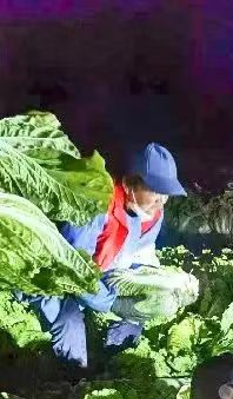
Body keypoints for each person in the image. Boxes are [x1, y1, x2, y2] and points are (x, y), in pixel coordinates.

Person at [25, 142, 186, 369]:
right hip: (54, 278)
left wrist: (147, 289)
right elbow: (73, 270)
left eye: (166, 194)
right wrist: (110, 303)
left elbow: (142, 256)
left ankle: (111, 365)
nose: (161, 202)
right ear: (129, 183)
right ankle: (70, 378)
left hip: (99, 279)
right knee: (70, 322)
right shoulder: (95, 204)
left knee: (134, 321)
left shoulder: (151, 214)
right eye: (154, 191)